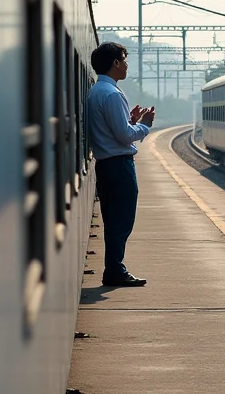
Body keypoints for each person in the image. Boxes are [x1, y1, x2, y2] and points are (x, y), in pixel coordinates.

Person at [87, 42, 156, 287]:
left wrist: (130, 120)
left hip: (106, 165)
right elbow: (125, 135)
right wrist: (144, 125)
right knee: (122, 220)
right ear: (115, 63)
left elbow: (114, 129)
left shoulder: (97, 91)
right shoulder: (113, 94)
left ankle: (114, 268)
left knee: (113, 219)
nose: (126, 65)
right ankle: (115, 270)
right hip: (119, 166)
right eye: (124, 60)